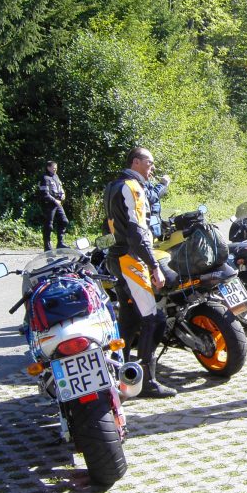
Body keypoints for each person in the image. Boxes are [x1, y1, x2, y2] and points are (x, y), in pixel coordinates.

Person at [103, 147, 176, 398]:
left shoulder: (112, 186)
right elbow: (137, 231)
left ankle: (121, 374)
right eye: (149, 162)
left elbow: (111, 226)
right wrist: (153, 266)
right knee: (154, 319)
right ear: (136, 162)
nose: (152, 167)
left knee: (129, 319)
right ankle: (146, 382)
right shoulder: (132, 187)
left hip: (117, 257)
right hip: (130, 259)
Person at [39, 161, 69, 251]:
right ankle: (47, 247)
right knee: (49, 225)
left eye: (56, 168)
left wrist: (63, 194)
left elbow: (60, 187)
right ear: (48, 168)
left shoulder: (56, 176)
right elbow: (44, 194)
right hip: (49, 204)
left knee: (64, 221)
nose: (55, 169)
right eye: (53, 168)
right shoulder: (44, 178)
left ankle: (60, 243)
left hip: (58, 203)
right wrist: (54, 200)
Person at [145, 174, 171, 239]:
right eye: (150, 163)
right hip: (146, 230)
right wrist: (162, 184)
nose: (152, 169)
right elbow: (151, 198)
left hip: (151, 226)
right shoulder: (136, 181)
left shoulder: (140, 180)